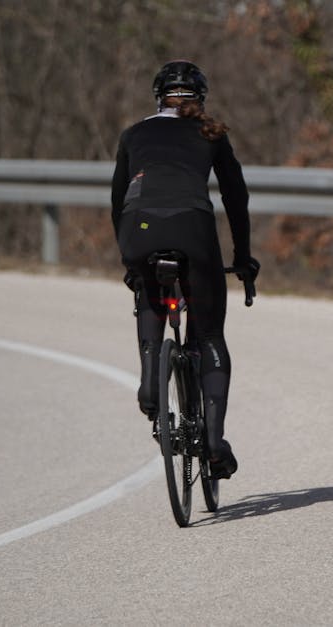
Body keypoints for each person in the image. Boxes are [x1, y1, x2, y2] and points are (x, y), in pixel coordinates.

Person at [111, 60, 259, 480]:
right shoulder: (210, 132)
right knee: (209, 333)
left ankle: (149, 382)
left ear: (158, 97)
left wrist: (130, 261)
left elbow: (117, 200)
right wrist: (244, 257)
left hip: (138, 228)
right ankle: (213, 443)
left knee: (149, 293)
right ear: (201, 97)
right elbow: (236, 198)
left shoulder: (134, 134)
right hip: (193, 228)